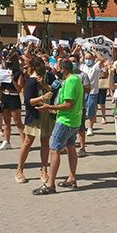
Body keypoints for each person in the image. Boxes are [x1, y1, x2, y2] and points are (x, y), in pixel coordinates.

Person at [32, 59, 83, 195]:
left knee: (54, 150)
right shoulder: (76, 79)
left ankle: (50, 184)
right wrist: (56, 109)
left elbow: (68, 103)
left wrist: (50, 106)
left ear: (64, 69)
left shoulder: (71, 81)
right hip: (73, 120)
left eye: (58, 68)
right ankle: (72, 178)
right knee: (71, 148)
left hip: (66, 121)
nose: (57, 71)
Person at [15, 56, 55, 184]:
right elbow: (27, 102)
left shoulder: (47, 78)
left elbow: (55, 92)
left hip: (46, 116)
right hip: (34, 117)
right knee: (27, 142)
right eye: (38, 67)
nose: (41, 69)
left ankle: (44, 170)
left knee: (45, 143)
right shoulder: (31, 82)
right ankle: (19, 169)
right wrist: (41, 98)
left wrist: (44, 85)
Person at [0, 52, 24, 150]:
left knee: (18, 122)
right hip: (4, 96)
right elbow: (0, 88)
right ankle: (6, 141)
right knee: (6, 122)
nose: (8, 62)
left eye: (10, 61)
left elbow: (20, 89)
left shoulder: (18, 73)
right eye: (7, 60)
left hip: (14, 97)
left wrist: (12, 80)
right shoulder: (4, 71)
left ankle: (24, 142)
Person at [79, 51, 102, 136]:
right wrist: (80, 49)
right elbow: (75, 59)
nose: (88, 60)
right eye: (86, 58)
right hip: (82, 92)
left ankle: (90, 128)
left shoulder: (96, 66)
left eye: (90, 58)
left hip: (93, 92)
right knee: (82, 110)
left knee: (91, 111)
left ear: (93, 59)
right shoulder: (82, 66)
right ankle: (82, 126)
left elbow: (101, 59)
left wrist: (94, 51)